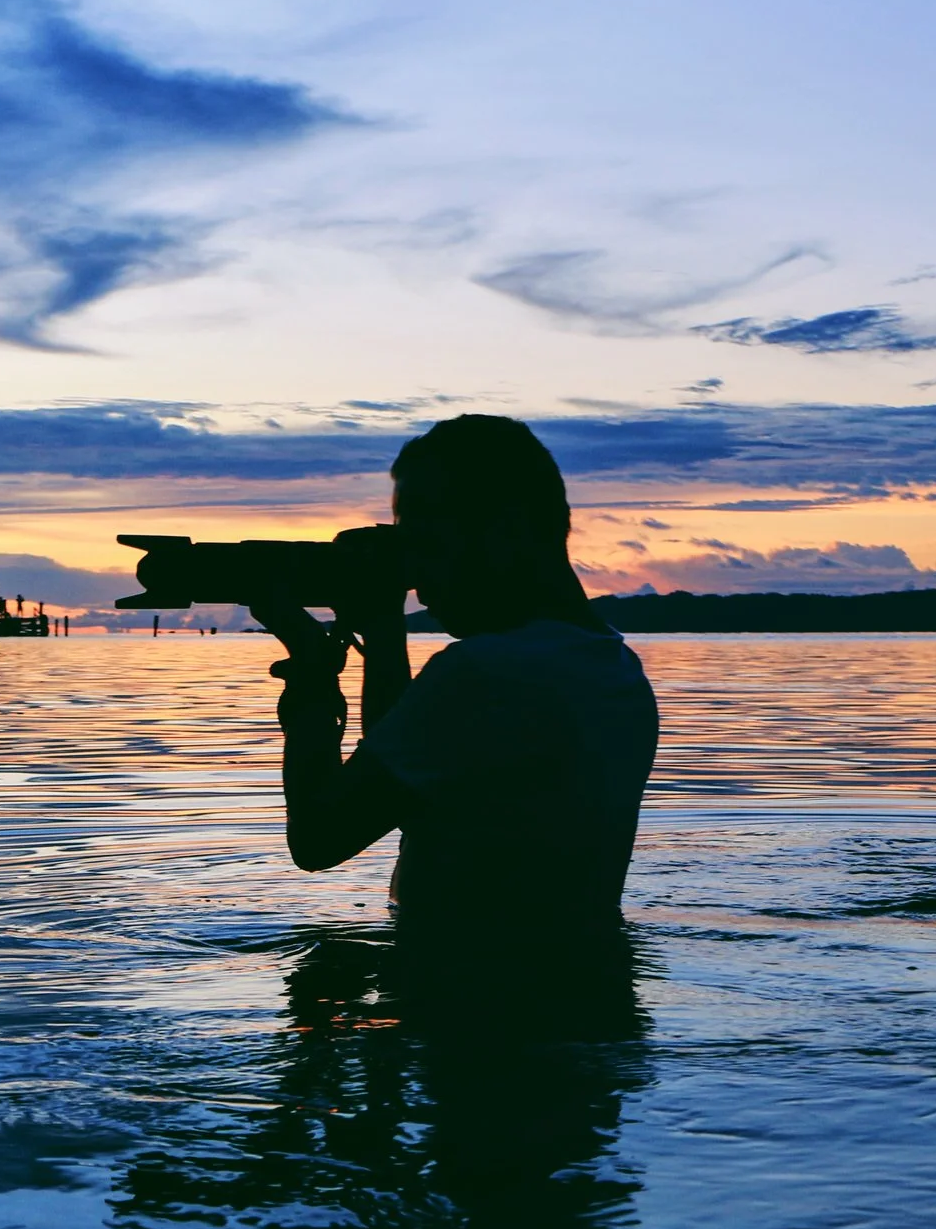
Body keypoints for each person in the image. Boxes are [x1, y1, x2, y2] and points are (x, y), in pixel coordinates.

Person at [249, 414, 658, 1007]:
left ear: (508, 530)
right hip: (580, 996)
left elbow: (319, 837)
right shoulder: (611, 669)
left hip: (469, 1014)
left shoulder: (486, 672)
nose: (415, 577)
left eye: (428, 544)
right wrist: (384, 634)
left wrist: (312, 674)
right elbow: (413, 767)